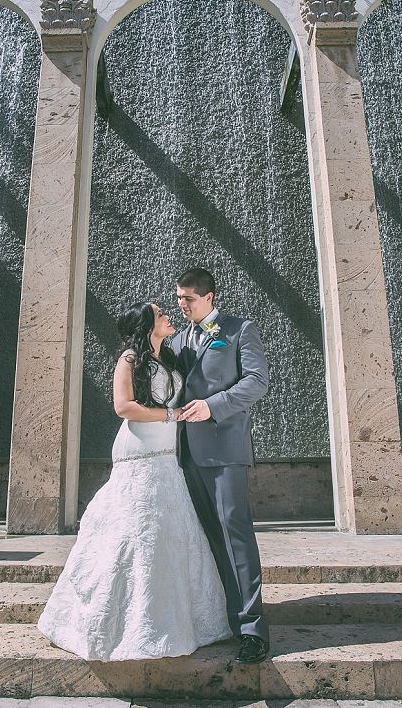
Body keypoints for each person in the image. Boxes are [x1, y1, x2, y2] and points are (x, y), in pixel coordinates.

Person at [37, 302, 231, 661]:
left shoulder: (169, 360)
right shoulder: (129, 359)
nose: (168, 316)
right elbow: (123, 406)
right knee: (136, 530)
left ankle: (174, 622)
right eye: (160, 314)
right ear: (146, 326)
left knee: (168, 531)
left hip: (167, 455)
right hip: (138, 450)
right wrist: (172, 414)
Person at [171, 267, 272, 665]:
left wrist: (212, 406)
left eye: (189, 299)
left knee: (236, 537)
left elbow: (257, 381)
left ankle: (252, 629)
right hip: (185, 456)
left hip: (224, 450)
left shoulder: (239, 330)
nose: (182, 306)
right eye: (179, 298)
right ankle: (217, 619)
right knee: (207, 539)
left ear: (209, 298)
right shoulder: (177, 339)